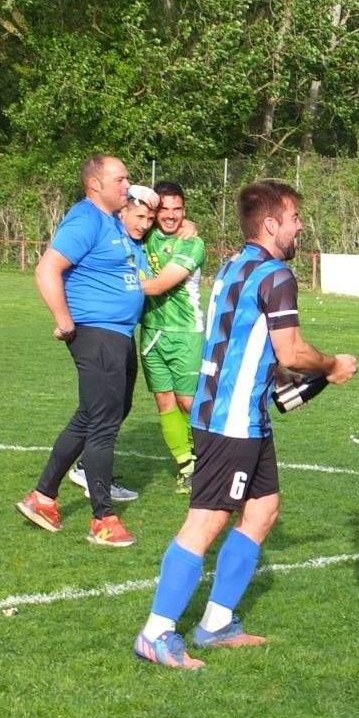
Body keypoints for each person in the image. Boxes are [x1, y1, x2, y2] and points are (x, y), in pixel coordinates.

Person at [132, 179, 358, 669]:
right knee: (206, 521)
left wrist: (276, 375)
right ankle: (155, 632)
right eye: (294, 218)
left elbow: (244, 339)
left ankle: (215, 623)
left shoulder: (234, 263)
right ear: (271, 224)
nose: (301, 226)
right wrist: (332, 366)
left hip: (239, 415)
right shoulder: (277, 274)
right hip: (231, 420)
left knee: (263, 510)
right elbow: (291, 350)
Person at [16, 154, 145, 548]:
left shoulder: (112, 220)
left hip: (118, 335)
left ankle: (43, 497)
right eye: (120, 180)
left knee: (95, 415)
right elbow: (46, 269)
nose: (127, 186)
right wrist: (65, 322)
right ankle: (103, 519)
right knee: (103, 423)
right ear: (95, 185)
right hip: (96, 334)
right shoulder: (86, 219)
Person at [136, 180, 207, 493]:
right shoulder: (145, 234)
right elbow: (123, 206)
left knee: (189, 402)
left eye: (178, 209)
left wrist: (112, 287)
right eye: (165, 209)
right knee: (164, 400)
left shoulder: (192, 243)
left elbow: (158, 286)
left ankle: (213, 459)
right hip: (151, 331)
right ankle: (187, 467)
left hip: (185, 333)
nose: (171, 215)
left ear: (185, 211)